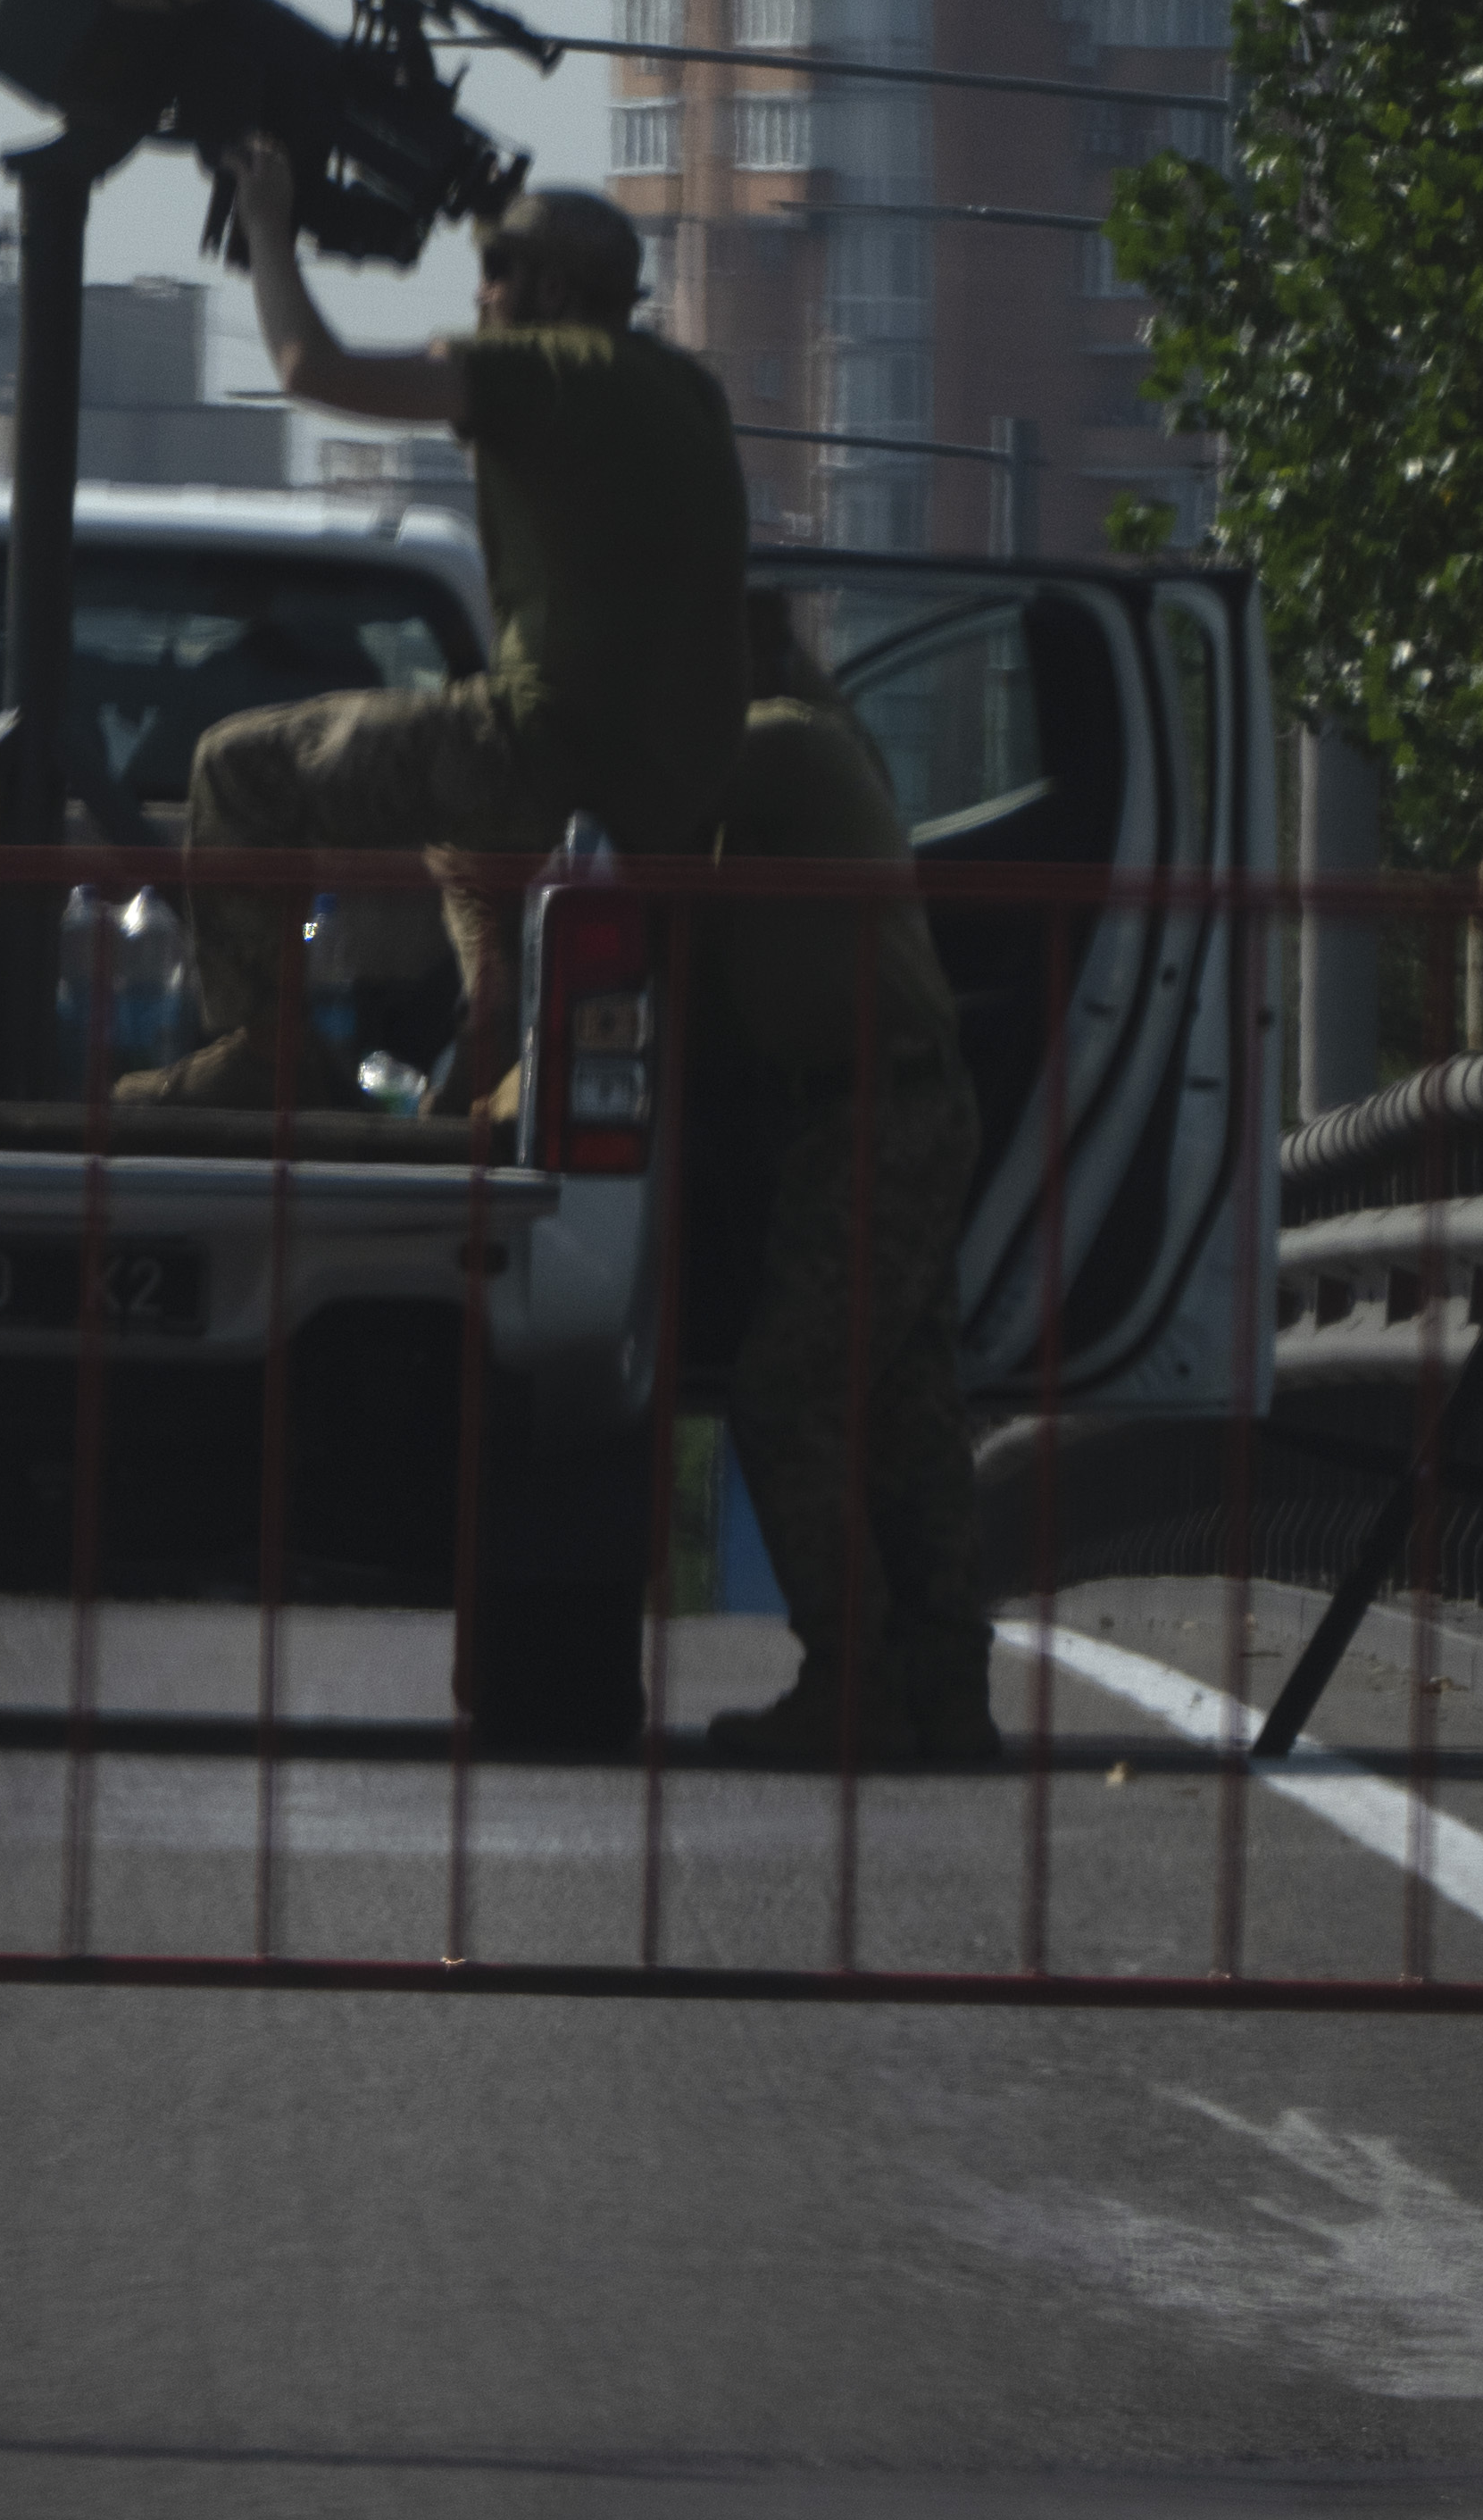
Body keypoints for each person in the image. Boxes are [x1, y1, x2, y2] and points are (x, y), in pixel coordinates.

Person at [158, 150, 749, 1102]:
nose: (479, 294)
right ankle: (484, 1053)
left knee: (237, 768)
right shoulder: (689, 390)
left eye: (495, 271)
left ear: (551, 290)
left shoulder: (536, 369)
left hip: (545, 748)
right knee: (463, 851)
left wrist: (268, 222)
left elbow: (312, 369)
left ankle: (261, 1054)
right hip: (671, 783)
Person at [688, 604, 992, 1766]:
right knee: (908, 1418)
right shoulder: (812, 750)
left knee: (785, 1397)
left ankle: (851, 1683)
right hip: (884, 1107)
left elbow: (644, 786)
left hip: (874, 1114)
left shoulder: (784, 743)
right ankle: (944, 1697)